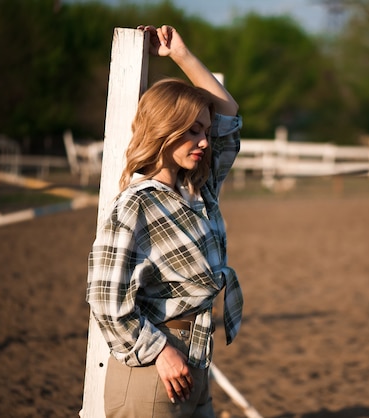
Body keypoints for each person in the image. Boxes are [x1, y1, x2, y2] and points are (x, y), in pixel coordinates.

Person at [86, 24, 243, 418]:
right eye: (192, 130)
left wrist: (181, 56)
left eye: (205, 131)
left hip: (196, 361)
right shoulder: (134, 205)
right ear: (164, 129)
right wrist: (159, 352)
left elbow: (228, 113)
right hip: (152, 370)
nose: (204, 141)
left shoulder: (200, 191)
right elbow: (105, 300)